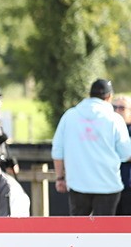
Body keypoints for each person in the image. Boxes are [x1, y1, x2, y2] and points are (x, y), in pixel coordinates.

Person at [51, 79, 131, 216]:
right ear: (109, 97)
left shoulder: (70, 115)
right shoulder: (115, 119)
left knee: (78, 232)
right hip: (108, 184)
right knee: (106, 232)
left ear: (90, 94)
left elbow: (58, 150)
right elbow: (125, 154)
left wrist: (60, 178)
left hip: (78, 184)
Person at [114, 95, 131, 215]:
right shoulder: (109, 128)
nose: (117, 111)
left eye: (121, 108)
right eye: (114, 107)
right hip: (110, 186)